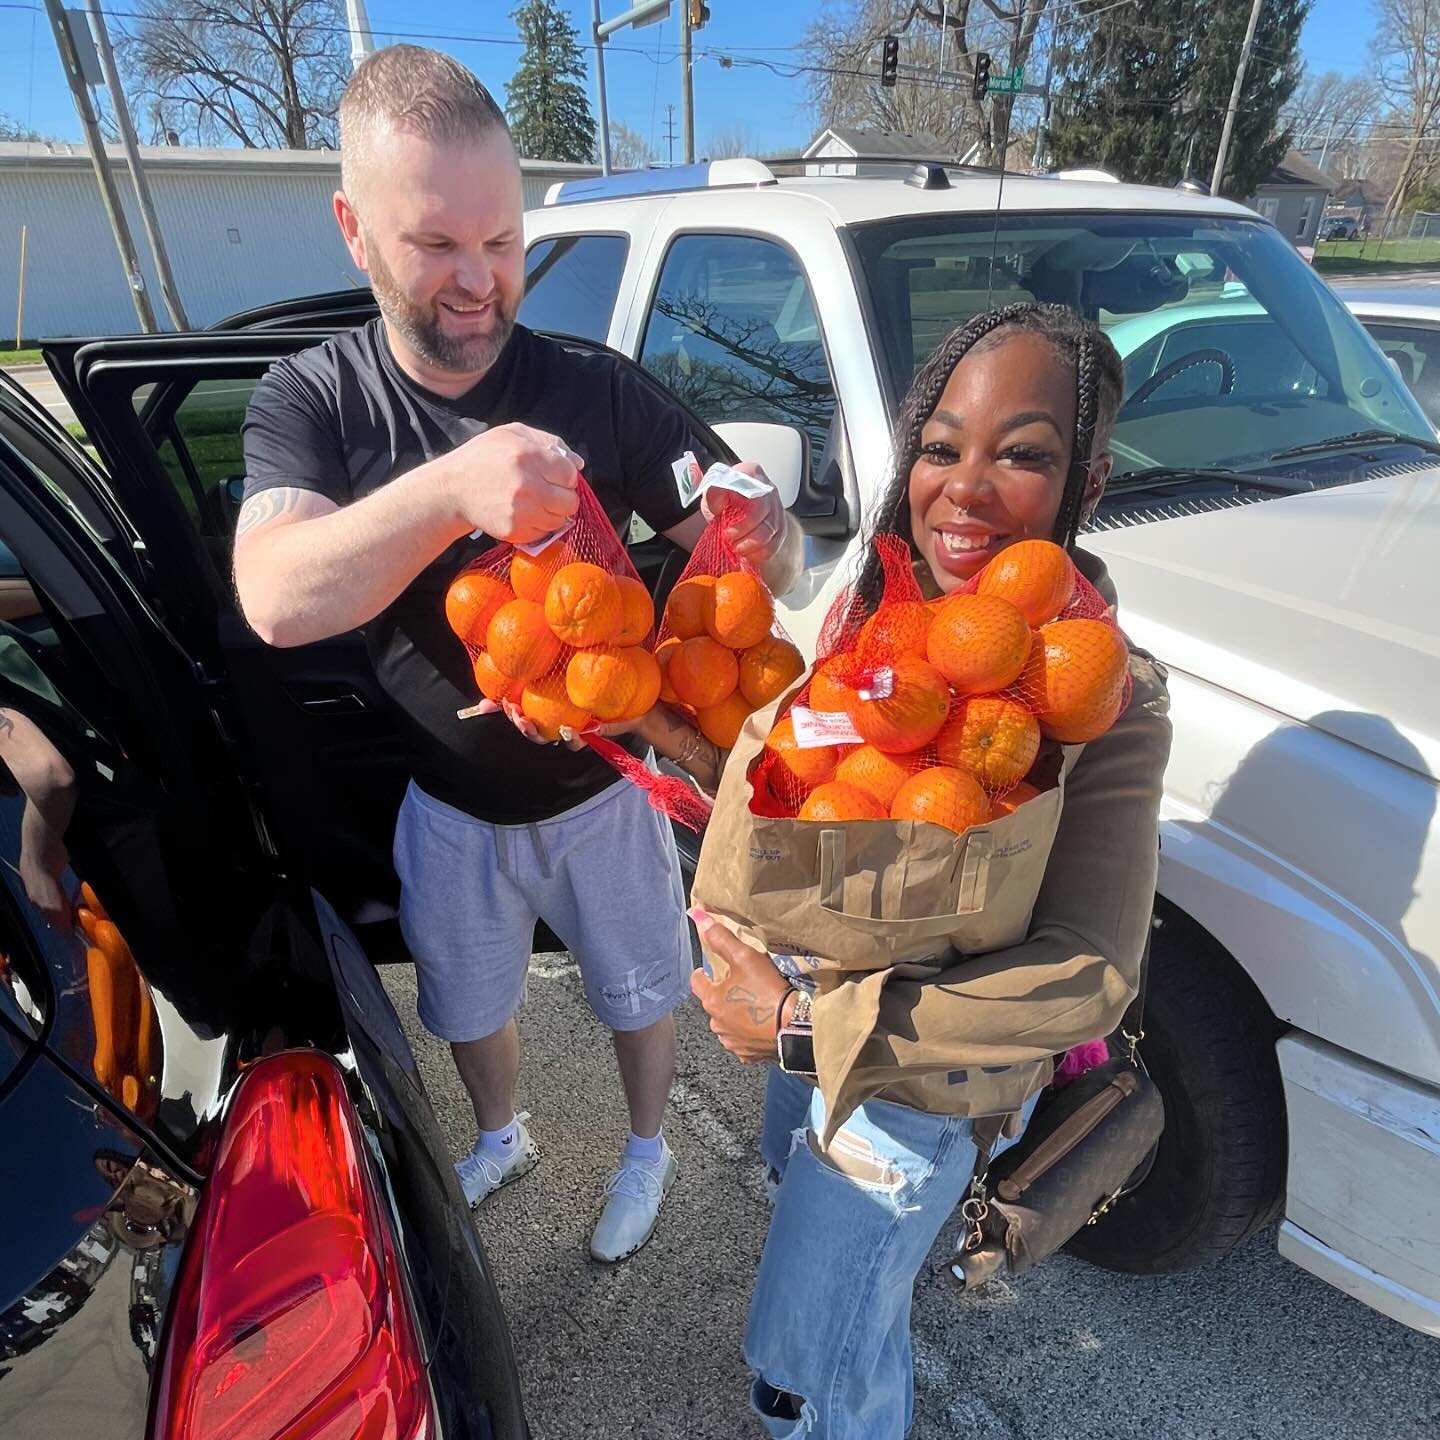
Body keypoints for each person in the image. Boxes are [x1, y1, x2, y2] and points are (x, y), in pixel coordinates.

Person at [231, 44, 801, 1263]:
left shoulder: (601, 389)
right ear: (352, 228)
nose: (480, 280)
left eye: (501, 242)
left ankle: (646, 1150)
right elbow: (275, 598)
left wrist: (769, 532)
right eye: (437, 244)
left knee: (644, 993)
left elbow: (750, 542)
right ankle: (506, 1133)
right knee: (467, 1005)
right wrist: (453, 486)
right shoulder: (313, 403)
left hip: (607, 797)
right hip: (446, 807)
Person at [642, 303, 1172, 1436]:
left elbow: (1087, 975)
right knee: (846, 1308)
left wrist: (794, 1024)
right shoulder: (882, 621)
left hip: (916, 1089)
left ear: (1089, 482)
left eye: (1022, 454)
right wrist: (651, 722)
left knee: (803, 1375)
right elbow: (788, 788)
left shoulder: (1105, 701)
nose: (966, 487)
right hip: (806, 1031)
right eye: (942, 448)